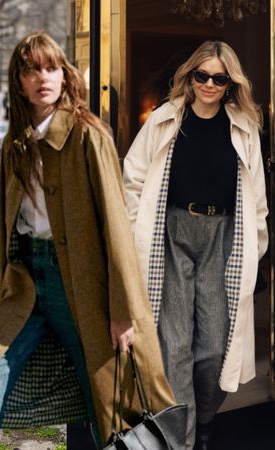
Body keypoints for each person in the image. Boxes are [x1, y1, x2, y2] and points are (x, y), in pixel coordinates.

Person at [0, 31, 176, 450]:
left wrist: (123, 311)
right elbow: (10, 231)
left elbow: (115, 226)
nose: (43, 78)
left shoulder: (89, 135)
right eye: (31, 69)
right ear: (18, 81)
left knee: (106, 403)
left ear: (64, 73)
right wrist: (0, 291)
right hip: (26, 286)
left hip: (85, 288)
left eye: (51, 67)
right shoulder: (17, 143)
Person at [123, 40, 268, 450]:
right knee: (176, 347)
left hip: (222, 240)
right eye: (201, 75)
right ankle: (183, 440)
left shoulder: (243, 127)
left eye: (218, 78)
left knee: (215, 348)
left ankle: (204, 419)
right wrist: (136, 237)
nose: (208, 83)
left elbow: (257, 201)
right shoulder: (164, 119)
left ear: (229, 83)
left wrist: (254, 253)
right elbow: (132, 181)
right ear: (189, 76)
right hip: (171, 235)